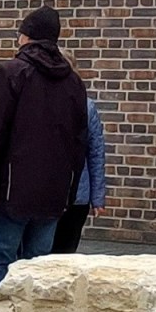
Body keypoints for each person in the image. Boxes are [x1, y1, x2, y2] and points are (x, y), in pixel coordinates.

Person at [0, 6, 88, 296]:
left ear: (25, 36)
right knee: (37, 266)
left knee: (1, 260)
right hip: (53, 192)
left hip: (12, 189)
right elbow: (79, 142)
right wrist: (69, 191)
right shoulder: (73, 83)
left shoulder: (12, 72)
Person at [52, 97, 107, 254]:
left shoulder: (86, 106)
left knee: (64, 253)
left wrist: (97, 198)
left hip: (76, 195)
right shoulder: (38, 101)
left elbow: (96, 152)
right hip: (52, 195)